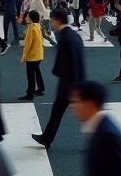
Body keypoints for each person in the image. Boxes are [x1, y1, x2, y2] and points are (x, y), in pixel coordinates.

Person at [32, 9, 86, 150]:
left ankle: (47, 138)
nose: (51, 22)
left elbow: (72, 62)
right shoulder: (74, 35)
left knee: (81, 115)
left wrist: (73, 87)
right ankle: (46, 138)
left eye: (52, 20)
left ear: (57, 20)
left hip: (70, 85)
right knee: (61, 111)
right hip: (75, 82)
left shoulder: (65, 38)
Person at [19, 10, 46, 100]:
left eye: (27, 16)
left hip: (32, 56)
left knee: (30, 75)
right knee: (37, 71)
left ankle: (30, 94)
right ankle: (41, 88)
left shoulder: (31, 28)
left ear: (31, 18)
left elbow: (28, 45)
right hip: (39, 54)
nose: (26, 18)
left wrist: (24, 57)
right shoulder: (38, 26)